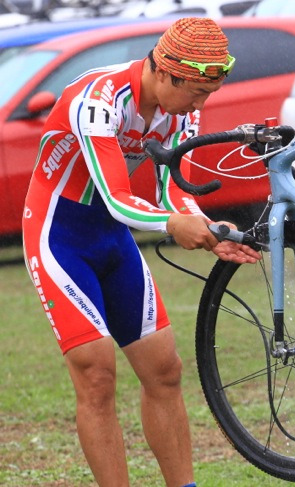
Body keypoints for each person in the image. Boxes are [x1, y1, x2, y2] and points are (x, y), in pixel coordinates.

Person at [22, 17, 261, 487]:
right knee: (96, 375)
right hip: (59, 236)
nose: (202, 103)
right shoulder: (98, 100)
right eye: (196, 91)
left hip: (111, 238)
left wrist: (209, 227)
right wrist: (176, 224)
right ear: (167, 73)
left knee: (165, 371)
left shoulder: (181, 107)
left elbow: (174, 192)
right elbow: (115, 197)